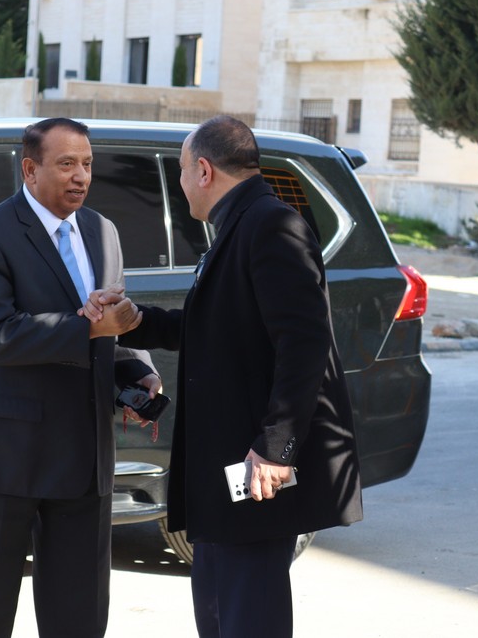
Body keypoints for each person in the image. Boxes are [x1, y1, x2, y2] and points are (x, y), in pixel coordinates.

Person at [107, 115, 363, 637]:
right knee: (221, 609)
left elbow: (304, 343)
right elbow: (219, 327)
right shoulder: (240, 225)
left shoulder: (272, 225)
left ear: (204, 170)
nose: (181, 183)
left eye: (182, 171)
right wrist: (136, 322)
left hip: (254, 465)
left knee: (248, 611)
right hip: (225, 465)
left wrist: (275, 446)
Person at [0, 117, 159, 637]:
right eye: (66, 164)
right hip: (1, 461)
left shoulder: (103, 231)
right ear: (30, 169)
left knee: (79, 621)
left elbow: (112, 319)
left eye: (87, 164)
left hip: (83, 461)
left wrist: (138, 370)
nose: (81, 176)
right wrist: (89, 328)